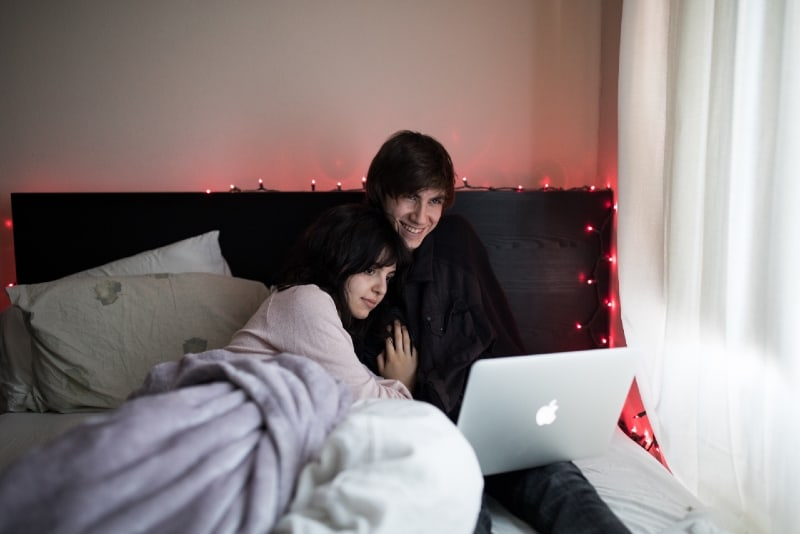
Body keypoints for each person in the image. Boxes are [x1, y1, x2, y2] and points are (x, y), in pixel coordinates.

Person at [359, 130, 631, 534]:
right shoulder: (359, 253)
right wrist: (403, 388)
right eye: (410, 197)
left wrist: (530, 413)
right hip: (428, 434)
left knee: (568, 492)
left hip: (496, 425)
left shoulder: (456, 240)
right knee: (465, 513)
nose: (421, 217)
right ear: (382, 192)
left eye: (434, 200)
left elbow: (503, 339)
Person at [226, 202, 417, 400]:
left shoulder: (325, 315)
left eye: (388, 277)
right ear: (337, 257)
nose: (382, 289)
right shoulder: (306, 301)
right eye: (370, 270)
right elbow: (368, 400)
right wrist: (403, 383)